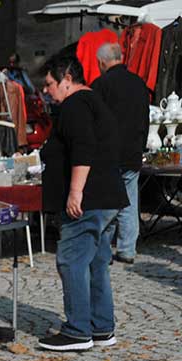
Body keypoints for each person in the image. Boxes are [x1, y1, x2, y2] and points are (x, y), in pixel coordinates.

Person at [38, 55, 128, 352]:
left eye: (49, 84)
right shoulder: (95, 102)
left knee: (73, 260)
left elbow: (84, 148)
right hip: (106, 197)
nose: (47, 91)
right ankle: (101, 327)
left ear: (66, 79)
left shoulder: (75, 105)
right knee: (96, 262)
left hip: (89, 200)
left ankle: (78, 330)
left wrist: (75, 192)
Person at [92, 42, 150, 264]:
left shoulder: (101, 85)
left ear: (102, 62)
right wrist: (141, 145)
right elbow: (145, 118)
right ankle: (127, 249)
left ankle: (103, 250)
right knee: (129, 200)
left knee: (108, 201)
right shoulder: (138, 83)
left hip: (109, 152)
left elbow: (94, 121)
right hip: (133, 150)